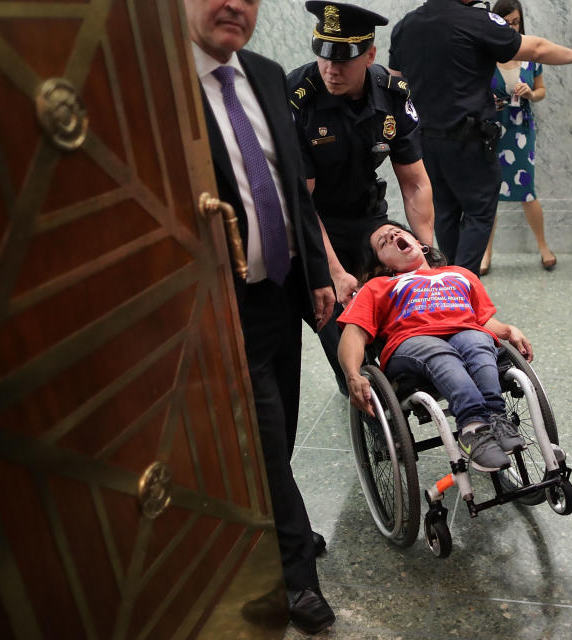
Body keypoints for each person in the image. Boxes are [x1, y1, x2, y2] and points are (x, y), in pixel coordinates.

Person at [183, 0, 336, 634]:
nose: (235, 6)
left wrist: (319, 276)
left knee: (284, 428)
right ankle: (295, 577)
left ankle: (277, 527)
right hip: (222, 303)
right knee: (265, 440)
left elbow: (292, 179)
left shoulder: (269, 74)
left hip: (283, 289)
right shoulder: (164, 92)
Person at [388, 0, 572, 275]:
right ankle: (460, 285)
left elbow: (396, 84)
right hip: (467, 142)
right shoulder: (476, 20)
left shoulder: (404, 27)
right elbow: (537, 49)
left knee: (445, 214)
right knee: (479, 212)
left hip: (425, 143)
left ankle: (449, 284)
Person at [288, 1, 435, 395]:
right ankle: (360, 388)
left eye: (344, 59)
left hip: (367, 213)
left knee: (403, 281)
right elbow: (302, 201)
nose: (330, 69)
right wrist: (335, 273)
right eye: (323, 55)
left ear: (370, 55)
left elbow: (416, 184)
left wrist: (429, 256)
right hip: (312, 221)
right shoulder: (298, 97)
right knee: (334, 313)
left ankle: (410, 370)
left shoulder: (391, 94)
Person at [337, 221, 533, 472]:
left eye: (398, 232)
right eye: (384, 241)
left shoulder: (461, 275)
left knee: (477, 340)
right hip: (412, 342)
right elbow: (353, 334)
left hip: (464, 331)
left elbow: (483, 320)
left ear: (419, 243)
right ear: (382, 265)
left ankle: (496, 417)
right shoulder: (377, 287)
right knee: (441, 353)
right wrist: (353, 374)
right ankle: (472, 427)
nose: (393, 235)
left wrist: (509, 330)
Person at [479, 0, 556, 275]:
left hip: (521, 128)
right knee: (489, 193)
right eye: (506, 22)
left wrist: (530, 94)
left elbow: (541, 91)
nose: (511, 28)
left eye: (515, 22)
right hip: (491, 129)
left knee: (527, 189)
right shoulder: (485, 54)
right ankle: (485, 252)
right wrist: (487, 102)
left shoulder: (529, 54)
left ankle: (544, 246)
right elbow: (472, 92)